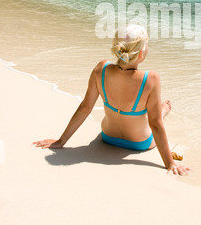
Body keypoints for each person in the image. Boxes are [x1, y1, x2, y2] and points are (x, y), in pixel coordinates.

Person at [34, 24, 190, 176]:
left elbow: (85, 108)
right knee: (156, 116)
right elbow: (155, 124)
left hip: (108, 137)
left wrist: (61, 142)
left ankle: (161, 110)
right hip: (140, 143)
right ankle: (162, 110)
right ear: (141, 53)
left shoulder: (101, 69)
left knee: (146, 115)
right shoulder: (151, 79)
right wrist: (170, 163)